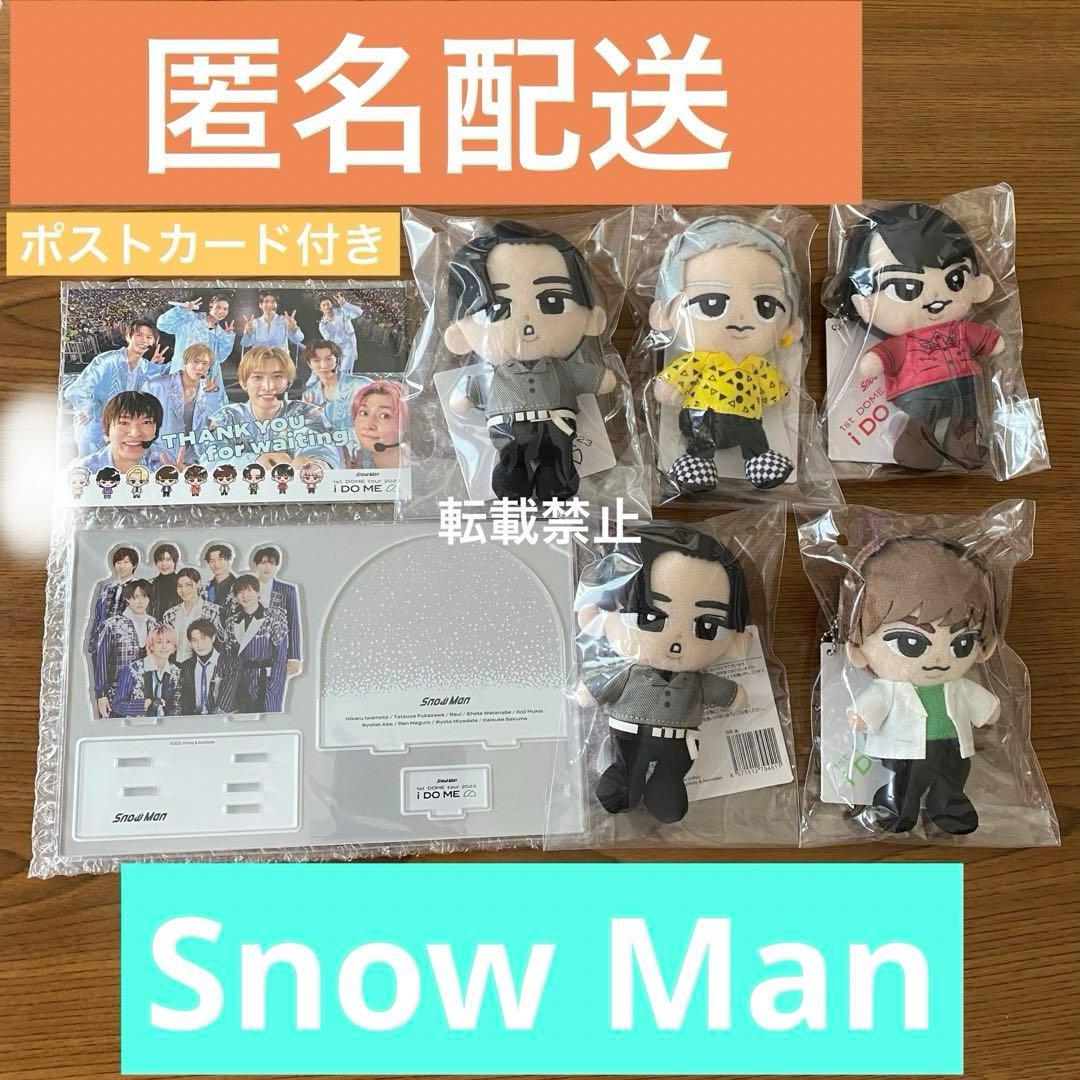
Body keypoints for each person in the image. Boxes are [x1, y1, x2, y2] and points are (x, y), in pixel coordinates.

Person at [576, 523, 749, 824]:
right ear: (599, 616)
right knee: (629, 766)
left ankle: (665, 786)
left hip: (679, 741)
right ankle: (626, 780)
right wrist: (590, 690)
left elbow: (718, 690)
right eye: (649, 617)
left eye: (707, 626)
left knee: (673, 771)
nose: (677, 641)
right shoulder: (629, 673)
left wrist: (732, 695)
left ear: (735, 638)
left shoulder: (695, 681)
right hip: (631, 736)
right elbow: (603, 686)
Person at [445, 220, 616, 501]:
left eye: (553, 301)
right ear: (459, 335)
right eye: (497, 308)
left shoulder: (562, 369)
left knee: (558, 458)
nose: (526, 322)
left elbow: (591, 378)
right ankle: (513, 477)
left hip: (557, 426)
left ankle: (556, 479)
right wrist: (466, 392)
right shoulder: (495, 376)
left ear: (592, 318)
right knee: (513, 460)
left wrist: (602, 379)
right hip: (511, 427)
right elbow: (473, 390)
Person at [843, 537, 1000, 835]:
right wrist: (860, 715)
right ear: (858, 647)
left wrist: (989, 710)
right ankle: (898, 807)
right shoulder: (891, 688)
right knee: (907, 782)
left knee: (953, 775)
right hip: (906, 750)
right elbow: (875, 701)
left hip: (951, 747)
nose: (939, 659)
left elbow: (980, 703)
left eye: (962, 642)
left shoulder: (957, 685)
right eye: (910, 642)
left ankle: (948, 804)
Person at [831, 203, 1003, 470]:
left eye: (955, 279)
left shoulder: (961, 329)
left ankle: (963, 445)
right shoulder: (903, 341)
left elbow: (987, 341)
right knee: (922, 420)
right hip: (921, 392)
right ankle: (916, 444)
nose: (935, 297)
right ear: (864, 302)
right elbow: (884, 355)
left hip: (964, 387)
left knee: (965, 420)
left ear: (977, 285)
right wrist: (875, 361)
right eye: (905, 288)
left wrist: (994, 343)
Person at [651, 216, 800, 492]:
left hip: (747, 418)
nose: (740, 319)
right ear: (663, 314)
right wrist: (669, 387)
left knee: (754, 436)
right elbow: (680, 375)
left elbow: (773, 389)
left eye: (765, 306)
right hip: (704, 414)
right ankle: (697, 461)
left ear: (791, 326)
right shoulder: (701, 359)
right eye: (711, 304)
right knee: (702, 437)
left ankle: (760, 459)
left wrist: (779, 395)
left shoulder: (757, 365)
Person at [205, 345, 342, 469]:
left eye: (277, 377)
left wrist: (316, 462)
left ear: (288, 382)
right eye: (257, 377)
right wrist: (254, 460)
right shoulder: (226, 417)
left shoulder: (306, 414)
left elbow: (324, 453)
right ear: (243, 382)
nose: (268, 386)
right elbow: (209, 460)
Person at [63, 319, 169, 455]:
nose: (144, 340)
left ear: (153, 342)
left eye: (149, 337)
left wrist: (157, 364)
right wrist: (88, 411)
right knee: (91, 465)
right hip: (94, 431)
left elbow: (170, 372)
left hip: (121, 433)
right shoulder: (107, 360)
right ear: (128, 336)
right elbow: (77, 389)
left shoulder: (145, 367)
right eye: (139, 335)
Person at [145, 341, 227, 465]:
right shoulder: (157, 386)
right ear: (185, 362)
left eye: (205, 363)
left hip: (194, 457)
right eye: (195, 361)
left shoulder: (209, 390)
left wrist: (212, 396)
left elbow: (216, 420)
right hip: (161, 455)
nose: (200, 367)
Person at [92, 579, 161, 718]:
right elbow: (101, 661)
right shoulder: (111, 625)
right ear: (127, 599)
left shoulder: (155, 625)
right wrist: (101, 695)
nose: (141, 602)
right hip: (118, 693)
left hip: (149, 693)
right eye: (136, 597)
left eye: (145, 597)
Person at [227, 574, 289, 713]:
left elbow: (281, 656)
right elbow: (229, 656)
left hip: (265, 681)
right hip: (240, 684)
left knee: (269, 721)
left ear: (258, 593)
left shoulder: (273, 617)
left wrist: (274, 686)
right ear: (236, 596)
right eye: (240, 592)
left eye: (249, 590)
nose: (245, 595)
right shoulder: (232, 622)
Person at [70, 390, 165, 475]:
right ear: (106, 432)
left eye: (146, 422)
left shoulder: (164, 460)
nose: (135, 433)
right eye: (124, 423)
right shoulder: (82, 472)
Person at [156, 295, 235, 384]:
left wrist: (227, 337)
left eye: (225, 309)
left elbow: (220, 358)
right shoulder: (190, 319)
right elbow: (162, 324)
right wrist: (182, 310)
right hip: (182, 372)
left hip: (204, 378)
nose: (221, 311)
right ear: (210, 306)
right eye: (218, 307)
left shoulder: (219, 332)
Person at [110, 625, 182, 719]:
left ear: (174, 647)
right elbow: (117, 705)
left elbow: (177, 706)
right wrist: (145, 704)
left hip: (165, 726)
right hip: (138, 725)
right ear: (151, 646)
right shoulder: (131, 670)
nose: (164, 646)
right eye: (159, 642)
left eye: (168, 642)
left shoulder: (176, 672)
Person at [250, 546, 302, 674]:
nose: (267, 567)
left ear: (276, 566)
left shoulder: (287, 590)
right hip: (250, 650)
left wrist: (294, 657)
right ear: (256, 564)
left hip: (277, 650)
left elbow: (293, 624)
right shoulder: (246, 587)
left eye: (271, 563)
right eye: (263, 563)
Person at [301, 339, 369, 432]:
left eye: (329, 359)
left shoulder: (362, 385)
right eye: (316, 360)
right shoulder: (308, 396)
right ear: (309, 364)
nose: (324, 365)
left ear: (337, 360)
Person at [179, 618, 238, 715]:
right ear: (190, 642)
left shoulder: (231, 664)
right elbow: (185, 701)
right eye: (194, 640)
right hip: (194, 720)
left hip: (222, 719)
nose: (199, 645)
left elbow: (225, 703)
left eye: (203, 638)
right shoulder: (186, 666)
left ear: (213, 637)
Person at [163, 566, 223, 662]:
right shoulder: (170, 615)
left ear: (198, 584)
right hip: (175, 665)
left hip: (202, 665)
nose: (184, 590)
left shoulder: (214, 612)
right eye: (180, 586)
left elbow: (220, 645)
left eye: (188, 585)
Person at [87, 546, 140, 655]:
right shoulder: (105, 588)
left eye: (126, 562)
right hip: (104, 638)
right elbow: (98, 616)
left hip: (128, 640)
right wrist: (93, 639)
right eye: (118, 562)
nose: (121, 566)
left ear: (134, 565)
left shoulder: (140, 588)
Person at [346, 380, 407, 469]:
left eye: (385, 416)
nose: (368, 425)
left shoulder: (417, 470)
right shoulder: (354, 460)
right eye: (364, 413)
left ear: (405, 424)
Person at [238, 292, 304, 353]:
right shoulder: (253, 323)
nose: (270, 305)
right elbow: (245, 344)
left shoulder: (285, 320)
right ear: (260, 305)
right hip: (260, 359)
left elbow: (299, 339)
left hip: (280, 359)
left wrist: (293, 329)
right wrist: (249, 333)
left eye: (273, 302)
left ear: (277, 305)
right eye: (266, 302)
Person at [315, 292, 364, 375]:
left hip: (349, 345)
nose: (327, 307)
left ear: (332, 304)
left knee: (345, 369)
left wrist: (345, 304)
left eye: (328, 304)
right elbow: (329, 340)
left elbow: (359, 312)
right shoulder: (322, 324)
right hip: (337, 348)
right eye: (324, 305)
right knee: (338, 371)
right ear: (320, 308)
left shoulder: (342, 312)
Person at [146, 543, 181, 620]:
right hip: (154, 625)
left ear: (175, 561)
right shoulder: (150, 584)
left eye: (168, 559)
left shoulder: (182, 584)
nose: (164, 564)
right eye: (160, 560)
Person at [200, 543, 237, 608]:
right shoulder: (204, 589)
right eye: (212, 561)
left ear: (228, 561)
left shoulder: (239, 586)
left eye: (220, 559)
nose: (216, 564)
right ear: (208, 563)